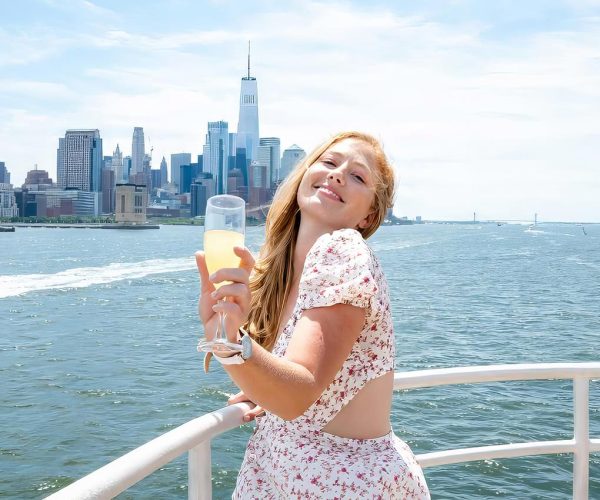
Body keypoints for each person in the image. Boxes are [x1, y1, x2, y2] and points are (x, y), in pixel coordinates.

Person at [195, 131, 430, 499]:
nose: (337, 175)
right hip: (283, 480)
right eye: (329, 162)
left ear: (369, 215)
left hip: (344, 488)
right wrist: (262, 385)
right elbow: (299, 391)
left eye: (357, 176)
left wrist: (233, 343)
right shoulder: (282, 274)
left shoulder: (341, 251)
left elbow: (298, 393)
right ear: (305, 174)